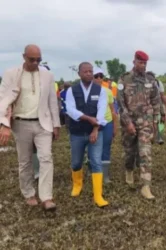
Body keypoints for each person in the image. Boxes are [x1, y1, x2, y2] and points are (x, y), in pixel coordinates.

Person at [0, 44, 60, 211]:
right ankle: (29, 193)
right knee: (25, 161)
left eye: (38, 60)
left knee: (46, 158)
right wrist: (4, 124)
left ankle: (46, 197)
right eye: (31, 59)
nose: (35, 62)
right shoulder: (11, 74)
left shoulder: (48, 75)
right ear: (23, 57)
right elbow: (3, 100)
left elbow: (52, 102)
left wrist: (56, 124)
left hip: (43, 124)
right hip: (20, 123)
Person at [117, 50, 160, 199]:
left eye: (145, 63)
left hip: (146, 122)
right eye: (140, 62)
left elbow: (156, 101)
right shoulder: (124, 79)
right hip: (129, 121)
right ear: (134, 61)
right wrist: (127, 123)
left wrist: (155, 122)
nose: (143, 65)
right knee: (130, 152)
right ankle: (129, 169)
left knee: (145, 152)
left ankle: (146, 185)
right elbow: (121, 104)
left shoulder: (150, 80)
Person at [65, 62, 109, 208]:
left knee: (96, 161)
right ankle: (77, 185)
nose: (89, 74)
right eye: (86, 71)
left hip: (96, 132)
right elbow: (70, 110)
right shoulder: (72, 90)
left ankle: (98, 195)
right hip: (77, 132)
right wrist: (87, 118)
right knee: (76, 162)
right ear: (79, 74)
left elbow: (101, 111)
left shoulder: (100, 90)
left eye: (91, 71)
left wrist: (95, 128)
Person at [92, 68, 117, 183]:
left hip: (107, 122)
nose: (99, 79)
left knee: (106, 147)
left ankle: (105, 175)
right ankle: (93, 170)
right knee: (93, 147)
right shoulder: (87, 91)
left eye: (101, 76)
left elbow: (113, 110)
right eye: (96, 76)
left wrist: (114, 126)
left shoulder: (108, 91)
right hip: (92, 123)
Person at [146, 71, 166, 144]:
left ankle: (157, 137)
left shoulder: (158, 83)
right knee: (153, 123)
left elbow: (160, 97)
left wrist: (163, 112)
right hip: (149, 108)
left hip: (155, 107)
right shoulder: (142, 85)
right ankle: (153, 137)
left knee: (156, 123)